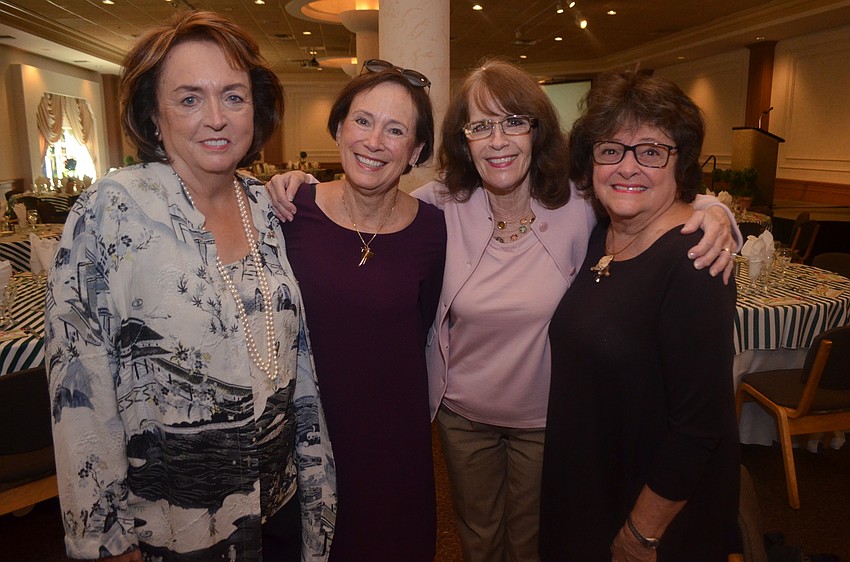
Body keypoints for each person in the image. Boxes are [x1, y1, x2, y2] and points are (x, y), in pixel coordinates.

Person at [268, 59, 739, 562]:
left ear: (538, 132)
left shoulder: (578, 205)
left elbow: (649, 195)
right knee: (478, 540)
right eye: (481, 125)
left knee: (534, 545)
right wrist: (294, 182)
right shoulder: (441, 206)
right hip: (463, 416)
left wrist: (717, 214)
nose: (498, 140)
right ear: (461, 139)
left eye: (514, 122)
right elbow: (373, 199)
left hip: (548, 417)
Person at [44, 11, 335, 562]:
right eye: (189, 99)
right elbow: (79, 390)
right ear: (154, 116)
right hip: (173, 526)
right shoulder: (111, 213)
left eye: (233, 96)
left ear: (257, 109)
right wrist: (106, 541)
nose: (216, 118)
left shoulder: (268, 208)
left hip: (279, 506)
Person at [540, 70, 740, 561]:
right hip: (590, 484)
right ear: (591, 163)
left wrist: (641, 533)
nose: (627, 167)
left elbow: (698, 427)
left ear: (681, 162)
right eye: (610, 150)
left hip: (648, 514)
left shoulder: (695, 262)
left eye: (651, 151)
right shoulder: (601, 237)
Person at [279, 61, 446, 561]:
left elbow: (423, 325)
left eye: (396, 130)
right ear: (338, 127)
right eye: (363, 120)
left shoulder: (433, 230)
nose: (374, 141)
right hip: (303, 437)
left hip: (393, 444)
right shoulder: (288, 211)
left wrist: (694, 205)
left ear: (415, 151)